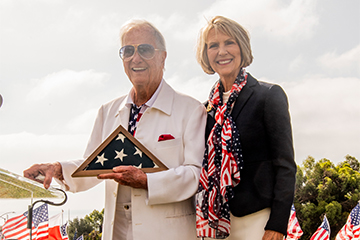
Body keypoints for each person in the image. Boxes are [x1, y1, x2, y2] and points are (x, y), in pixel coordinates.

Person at [24, 19, 206, 240]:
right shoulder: (107, 111)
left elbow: (195, 174)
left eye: (145, 49)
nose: (135, 58)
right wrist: (57, 168)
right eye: (127, 51)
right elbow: (92, 166)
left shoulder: (191, 109)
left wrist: (146, 181)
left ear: (163, 56)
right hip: (116, 232)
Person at [195, 16, 296, 240]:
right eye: (213, 45)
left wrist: (278, 225)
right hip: (216, 222)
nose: (221, 51)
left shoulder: (268, 96)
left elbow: (285, 165)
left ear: (242, 47)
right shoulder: (204, 110)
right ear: (206, 54)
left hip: (258, 220)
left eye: (229, 42)